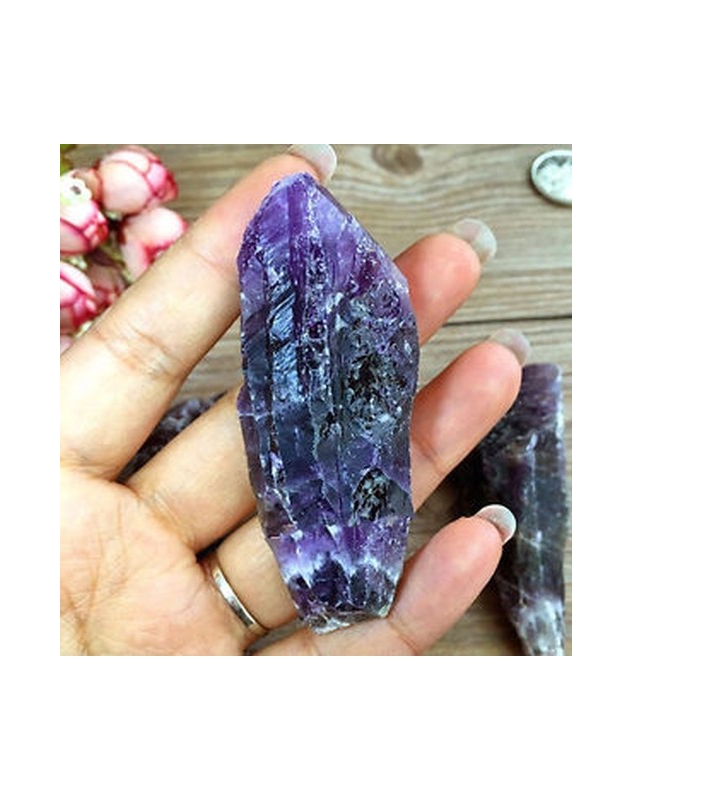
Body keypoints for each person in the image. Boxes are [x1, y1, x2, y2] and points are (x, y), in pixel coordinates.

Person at [60, 144, 528, 656]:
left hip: (352, 558)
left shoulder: (324, 267)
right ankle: (343, 589)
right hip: (334, 562)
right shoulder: (298, 254)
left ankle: (346, 588)